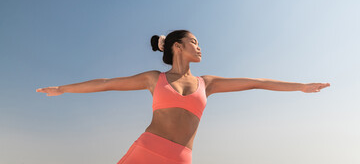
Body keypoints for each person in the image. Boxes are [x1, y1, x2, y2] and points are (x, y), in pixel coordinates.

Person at [36, 29, 331, 164]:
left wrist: (300, 86)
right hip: (145, 152)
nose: (200, 47)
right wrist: (62, 89)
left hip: (180, 159)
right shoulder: (155, 79)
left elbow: (257, 82)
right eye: (194, 42)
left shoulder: (208, 82)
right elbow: (106, 83)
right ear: (177, 46)